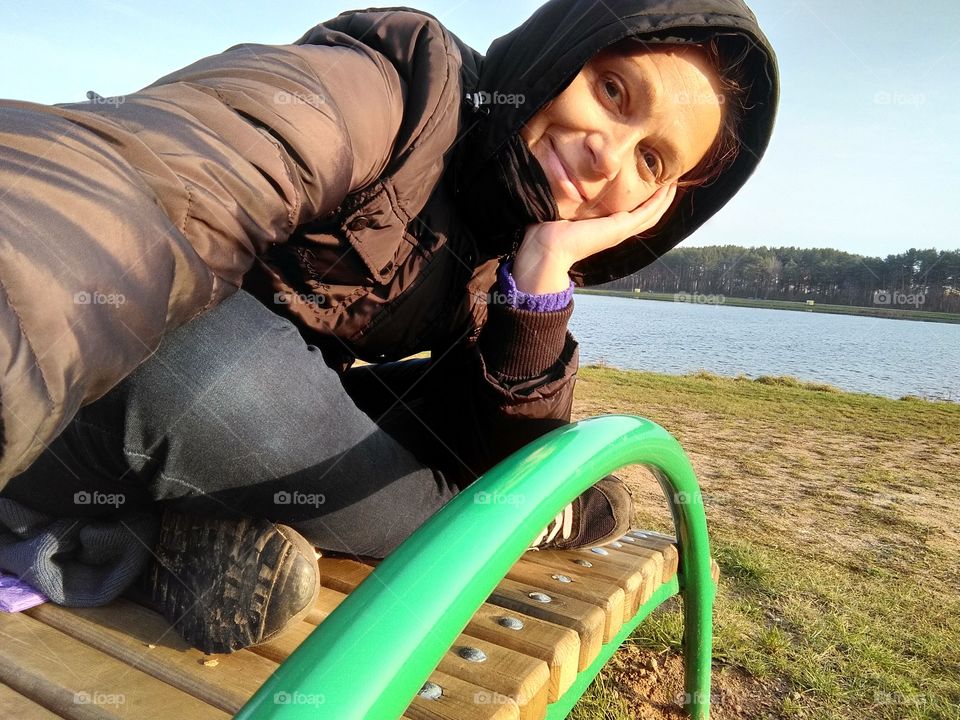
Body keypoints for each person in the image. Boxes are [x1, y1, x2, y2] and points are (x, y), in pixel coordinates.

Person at [0, 0, 779, 653]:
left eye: (652, 162)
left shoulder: (509, 233)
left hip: (229, 411)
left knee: (469, 426)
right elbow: (155, 184)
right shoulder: (394, 86)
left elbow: (491, 451)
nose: (610, 156)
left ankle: (169, 542)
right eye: (614, 91)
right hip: (103, 377)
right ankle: (521, 525)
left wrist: (543, 275)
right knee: (206, 363)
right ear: (563, 47)